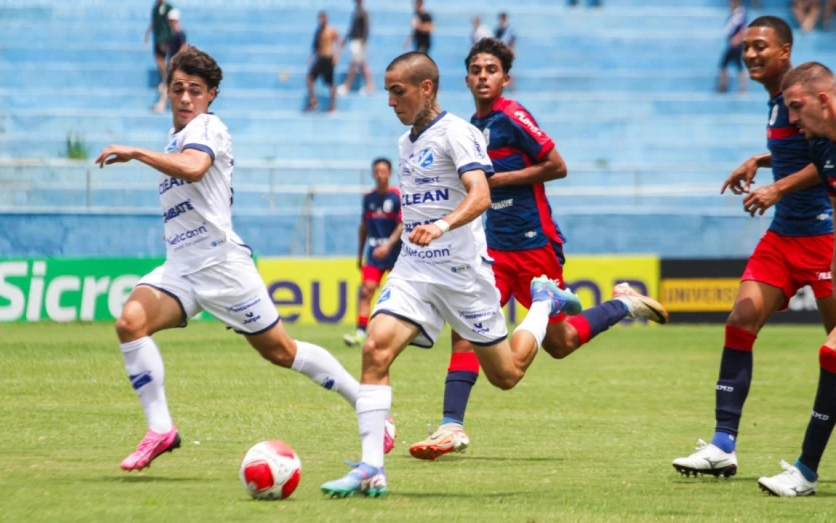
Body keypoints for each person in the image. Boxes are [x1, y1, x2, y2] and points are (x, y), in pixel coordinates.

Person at [93, 46, 393, 472]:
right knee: (130, 324)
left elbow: (195, 168)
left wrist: (138, 153)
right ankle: (160, 429)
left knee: (281, 352)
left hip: (222, 269)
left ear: (211, 94)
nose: (184, 98)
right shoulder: (176, 138)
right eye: (177, 89)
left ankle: (366, 405)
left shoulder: (209, 128)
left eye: (194, 90)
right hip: (180, 268)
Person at [320, 51, 584, 499]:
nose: (389, 101)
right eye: (386, 91)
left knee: (507, 374)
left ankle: (544, 304)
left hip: (463, 275)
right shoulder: (406, 143)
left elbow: (480, 194)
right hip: (414, 271)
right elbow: (419, 206)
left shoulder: (459, 132)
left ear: (426, 89)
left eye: (396, 91)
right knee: (374, 350)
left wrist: (442, 225)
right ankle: (370, 468)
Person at [407, 38, 669, 461]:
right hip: (493, 250)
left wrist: (498, 182)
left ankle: (623, 305)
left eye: (491, 70)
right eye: (475, 70)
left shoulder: (513, 116)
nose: (482, 76)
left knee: (560, 343)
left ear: (505, 78)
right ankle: (451, 426)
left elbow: (557, 165)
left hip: (535, 245)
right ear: (466, 78)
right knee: (466, 331)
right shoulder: (470, 126)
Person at [672, 17, 836, 480]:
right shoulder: (776, 103)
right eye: (745, 47)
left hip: (823, 236)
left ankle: (811, 462)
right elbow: (800, 152)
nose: (750, 55)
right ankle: (723, 443)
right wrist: (759, 159)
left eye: (760, 46)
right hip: (784, 236)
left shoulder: (803, 94)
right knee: (741, 319)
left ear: (786, 52)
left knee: (835, 347)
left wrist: (778, 186)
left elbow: (826, 160)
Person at [748, 61, 836, 497]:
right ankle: (805, 471)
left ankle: (805, 472)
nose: (793, 118)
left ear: (824, 99)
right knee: (833, 352)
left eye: (798, 107)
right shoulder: (822, 149)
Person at [344, 158, 402, 348]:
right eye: (376, 171)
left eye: (383, 171)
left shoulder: (397, 196)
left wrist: (388, 245)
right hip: (373, 254)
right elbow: (364, 227)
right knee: (367, 290)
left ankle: (401, 333)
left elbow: (403, 225)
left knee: (399, 294)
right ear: (372, 174)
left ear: (390, 173)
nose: (380, 174)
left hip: (396, 255)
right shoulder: (369, 198)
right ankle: (361, 332)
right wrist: (360, 253)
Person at [153, 9, 187, 113]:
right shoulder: (173, 34)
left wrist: (176, 60)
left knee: (167, 86)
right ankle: (161, 105)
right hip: (172, 64)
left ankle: (162, 106)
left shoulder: (180, 33)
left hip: (176, 65)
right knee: (166, 86)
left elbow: (183, 48)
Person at [307, 11, 341, 112]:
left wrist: (337, 56)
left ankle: (333, 106)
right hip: (320, 58)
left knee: (331, 83)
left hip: (328, 59)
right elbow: (315, 47)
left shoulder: (331, 30)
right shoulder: (318, 31)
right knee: (309, 78)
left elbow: (339, 43)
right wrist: (311, 56)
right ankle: (313, 101)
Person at [338, 0, 374, 96]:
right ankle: (369, 85)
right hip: (355, 41)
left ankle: (347, 86)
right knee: (360, 64)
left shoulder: (363, 12)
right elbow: (352, 28)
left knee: (354, 64)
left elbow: (366, 28)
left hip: (359, 42)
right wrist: (345, 39)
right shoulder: (356, 12)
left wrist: (363, 41)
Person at [717, 0, 748, 94]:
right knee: (725, 65)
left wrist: (736, 39)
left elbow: (744, 29)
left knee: (736, 66)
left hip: (736, 46)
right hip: (732, 45)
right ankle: (723, 86)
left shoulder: (740, 15)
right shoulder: (735, 14)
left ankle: (741, 89)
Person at [144, 0, 173, 92]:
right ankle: (165, 78)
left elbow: (172, 23)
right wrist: (147, 34)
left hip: (164, 37)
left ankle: (166, 80)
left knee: (162, 58)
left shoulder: (168, 7)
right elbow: (154, 22)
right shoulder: (155, 8)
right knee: (158, 58)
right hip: (157, 38)